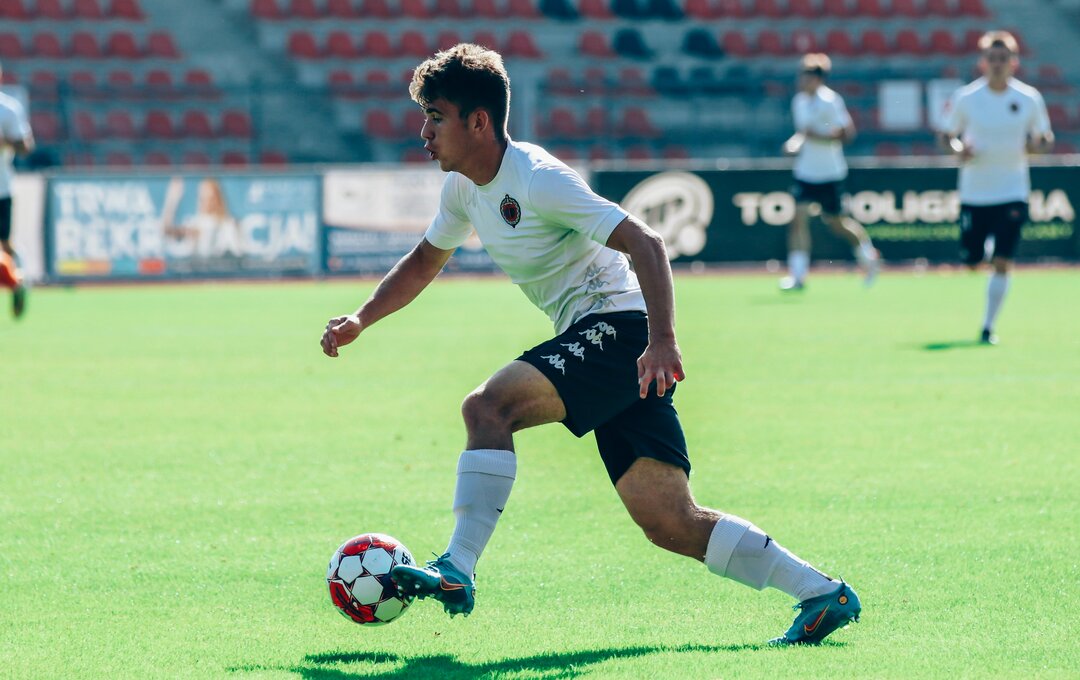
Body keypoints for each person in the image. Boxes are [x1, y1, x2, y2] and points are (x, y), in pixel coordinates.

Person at [320, 44, 861, 645]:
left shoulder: (537, 177)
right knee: (670, 522)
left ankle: (458, 565)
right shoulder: (462, 189)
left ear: (478, 122)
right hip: (607, 340)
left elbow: (648, 243)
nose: (424, 132)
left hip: (620, 329)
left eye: (435, 117)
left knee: (488, 407)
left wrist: (662, 340)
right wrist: (362, 319)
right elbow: (425, 260)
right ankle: (822, 593)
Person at [938, 31, 1053, 345]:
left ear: (1014, 62)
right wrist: (959, 149)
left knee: (1003, 261)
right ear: (983, 62)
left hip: (1012, 190)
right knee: (972, 261)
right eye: (992, 58)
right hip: (975, 192)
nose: (997, 64)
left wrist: (1036, 146)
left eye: (1003, 58)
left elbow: (1044, 138)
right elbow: (947, 135)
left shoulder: (1028, 98)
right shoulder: (967, 97)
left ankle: (988, 326)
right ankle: (982, 253)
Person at [780, 53, 879, 291]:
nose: (801, 81)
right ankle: (798, 276)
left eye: (806, 76)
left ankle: (868, 256)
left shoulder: (831, 101)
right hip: (805, 172)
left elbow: (847, 134)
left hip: (829, 173)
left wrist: (817, 136)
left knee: (837, 223)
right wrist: (793, 144)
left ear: (817, 79)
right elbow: (803, 133)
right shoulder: (799, 102)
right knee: (798, 219)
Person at [0, 61, 34, 318]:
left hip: (1, 188)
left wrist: (6, 142)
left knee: (4, 245)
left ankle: (17, 280)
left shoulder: (8, 109)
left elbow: (26, 145)